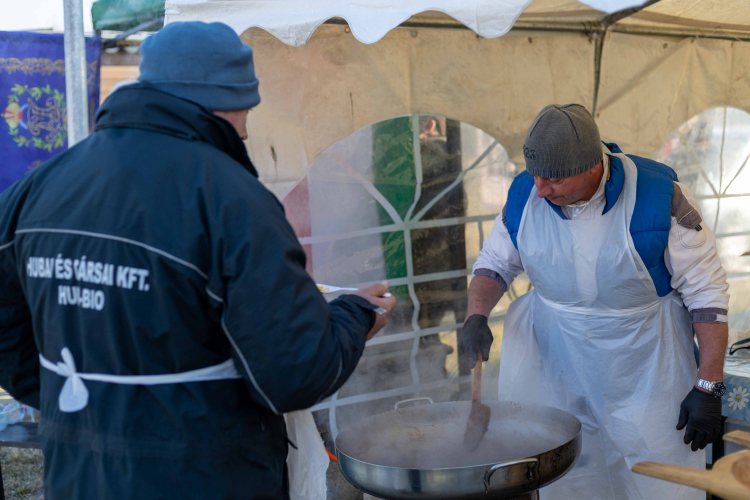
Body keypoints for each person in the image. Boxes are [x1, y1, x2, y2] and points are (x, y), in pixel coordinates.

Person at [0, 22, 396, 500]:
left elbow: (7, 332)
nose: (248, 130)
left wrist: (79, 404)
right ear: (221, 100)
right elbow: (294, 375)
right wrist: (354, 315)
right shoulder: (229, 198)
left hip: (79, 473)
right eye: (248, 109)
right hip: (203, 474)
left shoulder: (37, 187)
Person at [460, 104, 729, 499]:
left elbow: (707, 296)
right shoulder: (525, 193)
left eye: (553, 178)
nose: (540, 189)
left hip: (645, 367)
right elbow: (495, 265)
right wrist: (475, 316)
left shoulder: (659, 196)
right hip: (558, 365)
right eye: (535, 174)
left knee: (659, 477)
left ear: (592, 166)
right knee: (569, 471)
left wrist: (709, 385)